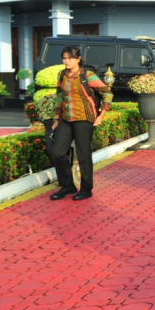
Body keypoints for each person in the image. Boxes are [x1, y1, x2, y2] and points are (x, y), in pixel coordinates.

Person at [50, 46, 113, 201]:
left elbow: (107, 93)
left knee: (83, 154)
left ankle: (86, 189)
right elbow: (60, 97)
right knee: (58, 152)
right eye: (64, 58)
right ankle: (67, 186)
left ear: (78, 59)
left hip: (85, 119)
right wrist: (57, 119)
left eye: (70, 58)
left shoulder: (87, 75)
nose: (66, 61)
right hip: (66, 118)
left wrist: (101, 115)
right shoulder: (61, 75)